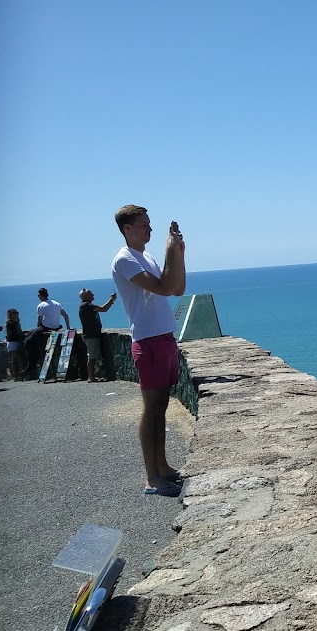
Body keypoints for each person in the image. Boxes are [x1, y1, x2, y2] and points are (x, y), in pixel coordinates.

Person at [111, 204, 186, 497]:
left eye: (150, 224)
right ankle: (152, 478)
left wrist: (178, 252)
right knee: (151, 410)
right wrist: (170, 250)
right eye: (144, 225)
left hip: (163, 338)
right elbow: (166, 288)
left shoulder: (146, 256)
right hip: (148, 341)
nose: (150, 229)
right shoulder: (125, 260)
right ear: (127, 229)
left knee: (161, 410)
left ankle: (163, 467)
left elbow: (178, 288)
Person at [23, 287, 73, 375]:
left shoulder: (41, 305)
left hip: (46, 327)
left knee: (28, 341)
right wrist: (68, 328)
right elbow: (66, 316)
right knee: (31, 333)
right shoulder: (56, 303)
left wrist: (37, 331)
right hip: (57, 326)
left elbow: (39, 322)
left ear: (40, 296)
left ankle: (32, 364)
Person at [78, 289, 117, 382]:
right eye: (90, 294)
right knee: (91, 357)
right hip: (91, 335)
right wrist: (111, 300)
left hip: (91, 334)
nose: (93, 295)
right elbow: (104, 309)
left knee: (92, 356)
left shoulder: (85, 306)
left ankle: (91, 376)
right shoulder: (87, 306)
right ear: (86, 296)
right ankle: (91, 377)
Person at [5, 308, 25, 380]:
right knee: (18, 358)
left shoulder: (16, 322)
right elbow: (13, 333)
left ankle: (16, 375)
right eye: (14, 313)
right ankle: (20, 374)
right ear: (10, 314)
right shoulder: (10, 323)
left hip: (16, 341)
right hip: (12, 342)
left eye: (16, 313)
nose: (16, 314)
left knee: (15, 359)